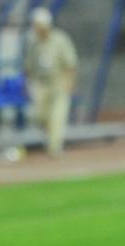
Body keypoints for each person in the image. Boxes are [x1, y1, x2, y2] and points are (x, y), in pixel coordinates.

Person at [24, 6, 78, 157]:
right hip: (41, 83)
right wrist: (27, 83)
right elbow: (28, 66)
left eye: (38, 25)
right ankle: (51, 139)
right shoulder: (33, 42)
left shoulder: (60, 40)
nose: (36, 28)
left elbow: (71, 64)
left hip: (58, 81)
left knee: (58, 115)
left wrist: (70, 82)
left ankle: (54, 147)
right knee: (39, 115)